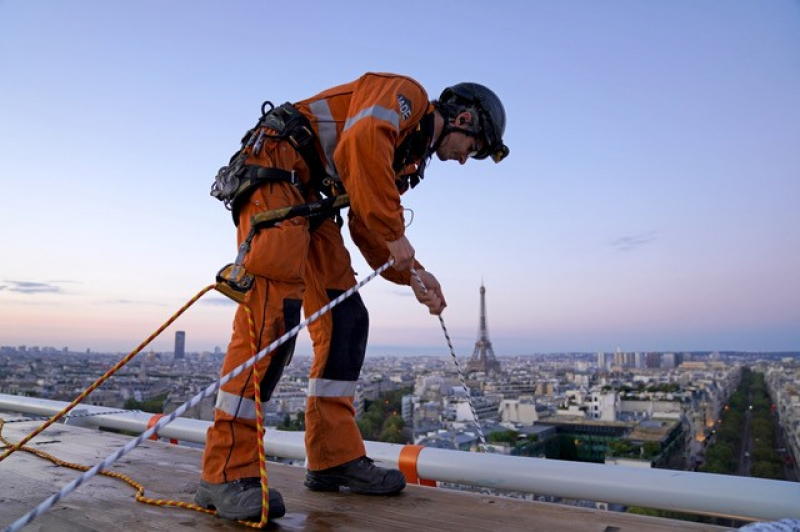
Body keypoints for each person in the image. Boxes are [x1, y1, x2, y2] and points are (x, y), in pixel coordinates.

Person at [196, 72, 509, 521]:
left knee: (346, 319)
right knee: (272, 320)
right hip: (276, 173)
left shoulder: (405, 159)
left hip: (306, 193)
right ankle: (225, 469)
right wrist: (397, 235)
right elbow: (361, 142)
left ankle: (332, 457)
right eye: (472, 149)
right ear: (464, 118)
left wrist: (415, 275)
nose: (463, 161)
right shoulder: (408, 97)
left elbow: (367, 225)